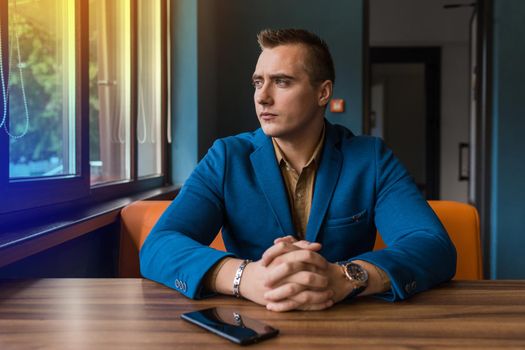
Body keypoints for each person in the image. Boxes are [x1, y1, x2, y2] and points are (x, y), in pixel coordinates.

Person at [140, 28, 456, 312]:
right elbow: (160, 245)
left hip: (347, 325)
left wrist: (346, 277)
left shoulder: (370, 158)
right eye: (258, 82)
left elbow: (433, 246)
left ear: (323, 93)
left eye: (281, 82)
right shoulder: (227, 157)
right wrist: (245, 277)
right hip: (252, 324)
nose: (262, 97)